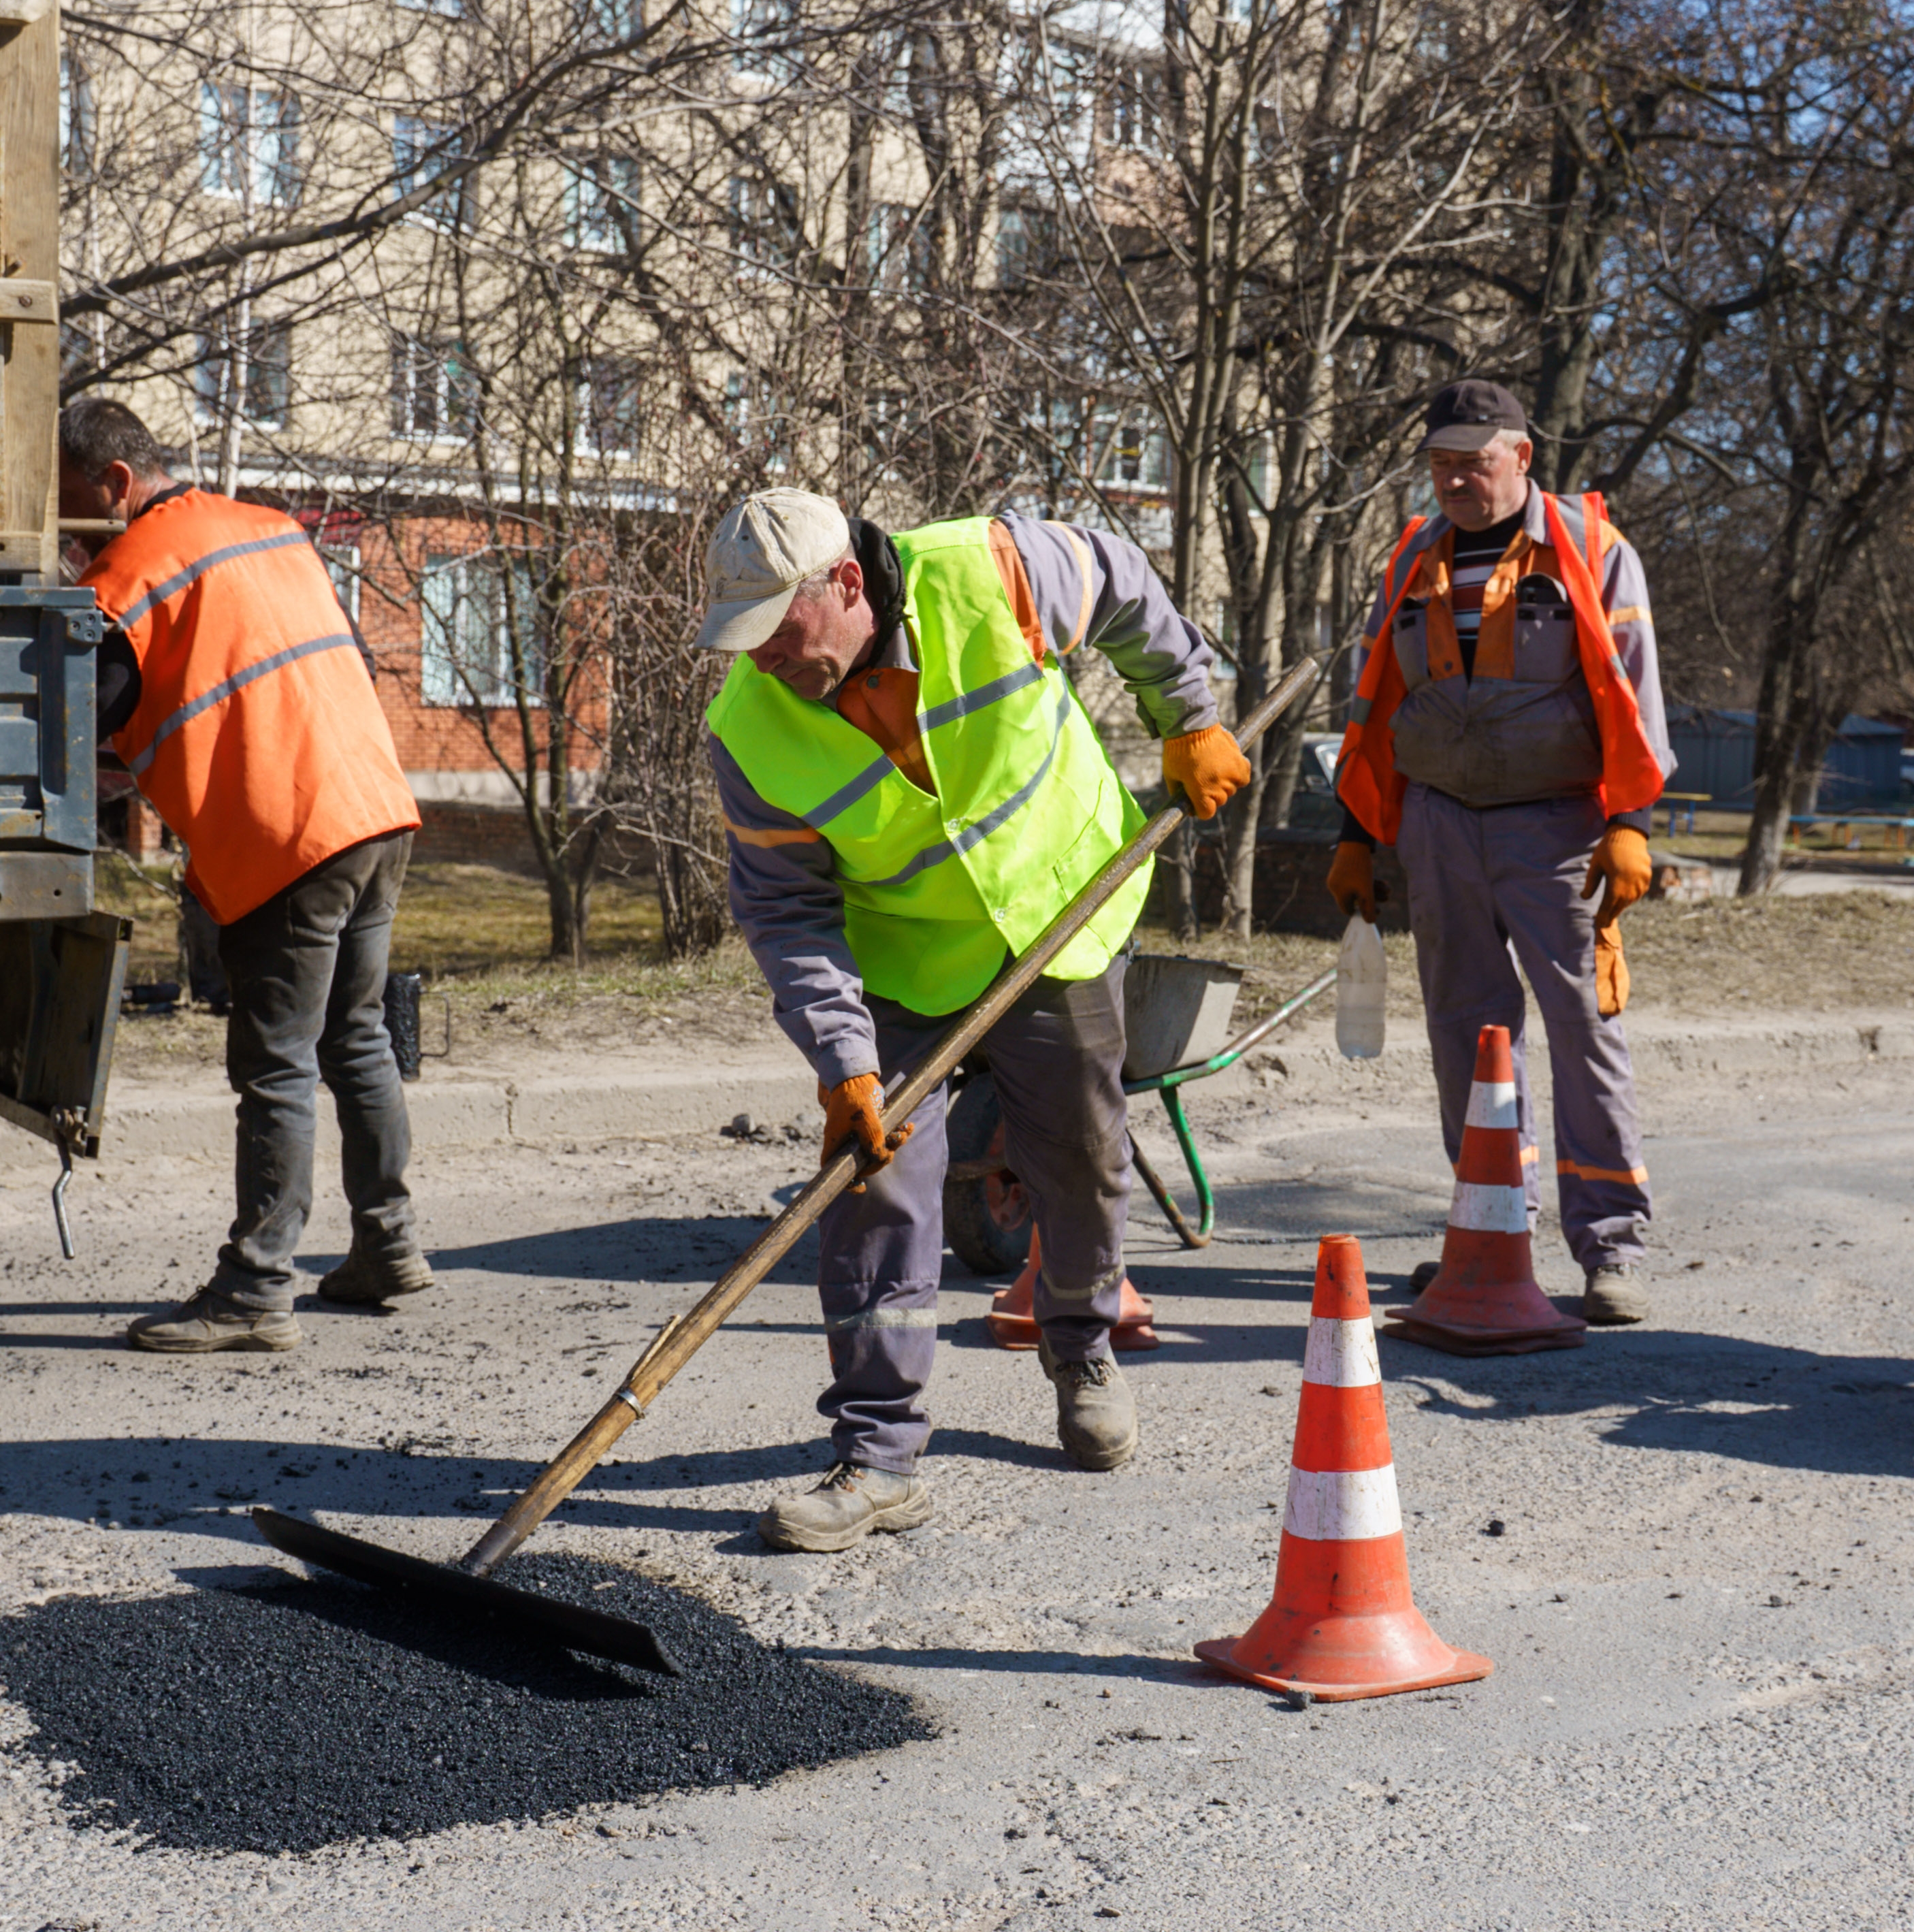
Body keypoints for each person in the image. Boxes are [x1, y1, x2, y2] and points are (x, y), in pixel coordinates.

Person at [701, 488, 1252, 1550]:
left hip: (1060, 910)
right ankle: (878, 1453)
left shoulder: (988, 569)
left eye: (778, 630)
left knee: (1082, 1154)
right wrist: (844, 1062)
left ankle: (1081, 1346)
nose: (761, 658)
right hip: (902, 965)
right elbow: (786, 913)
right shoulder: (751, 729)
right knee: (873, 1188)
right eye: (743, 639)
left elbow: (1128, 586)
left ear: (848, 586)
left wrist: (1187, 715)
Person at [68, 399, 430, 1355]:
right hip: (376, 810)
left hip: (287, 841)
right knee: (355, 1037)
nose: (68, 547)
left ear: (115, 484)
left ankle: (256, 1289)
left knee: (274, 1063)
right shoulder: (272, 531)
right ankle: (387, 1245)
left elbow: (87, 719)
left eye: (71, 517)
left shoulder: (130, 570)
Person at [1325, 378, 1674, 1326]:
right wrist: (1359, 834)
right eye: (1442, 464)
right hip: (1440, 824)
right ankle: (1490, 1237)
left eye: (1474, 463)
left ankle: (1612, 1248)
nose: (1456, 481)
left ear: (1522, 457)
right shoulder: (1414, 556)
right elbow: (1376, 704)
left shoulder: (1591, 551)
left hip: (1557, 828)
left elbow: (1633, 693)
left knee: (1582, 1030)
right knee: (1465, 1040)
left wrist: (1631, 822)